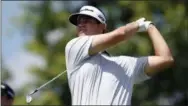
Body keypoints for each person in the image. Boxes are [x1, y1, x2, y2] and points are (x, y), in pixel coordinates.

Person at [65, 5, 174, 105]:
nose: (81, 24)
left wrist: (150, 26)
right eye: (79, 21)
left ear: (102, 26)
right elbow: (121, 34)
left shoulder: (125, 64)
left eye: (88, 20)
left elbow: (165, 58)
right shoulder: (74, 46)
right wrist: (137, 24)